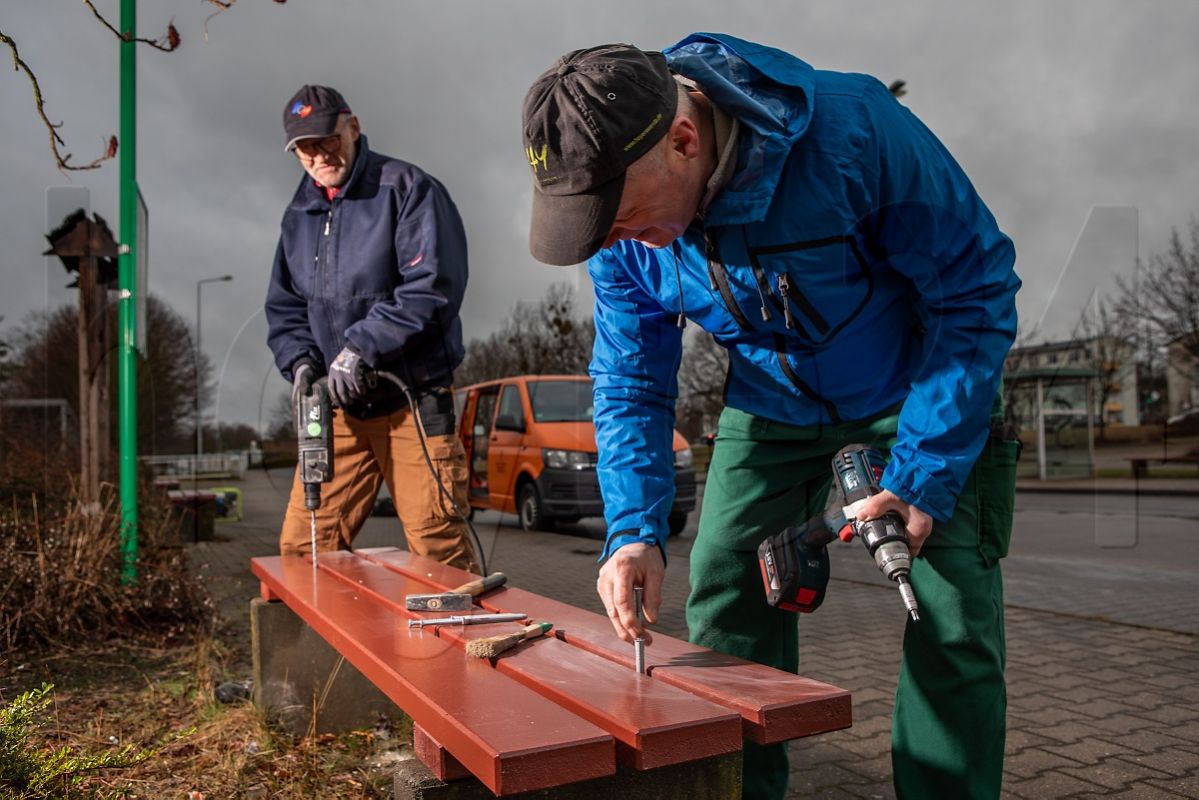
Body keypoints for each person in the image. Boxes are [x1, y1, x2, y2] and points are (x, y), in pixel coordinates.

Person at [520, 35, 1020, 800]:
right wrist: (631, 532)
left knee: (948, 615)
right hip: (770, 403)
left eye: (620, 221)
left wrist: (923, 473)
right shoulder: (617, 230)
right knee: (724, 582)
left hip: (912, 389)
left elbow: (973, 290)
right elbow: (628, 379)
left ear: (683, 139)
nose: (612, 244)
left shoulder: (856, 133)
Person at [265, 84, 478, 572]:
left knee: (437, 548)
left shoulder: (407, 188)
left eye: (326, 139)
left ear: (353, 127)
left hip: (412, 403)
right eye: (305, 148)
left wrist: (361, 346)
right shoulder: (298, 216)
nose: (319, 156)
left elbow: (433, 286)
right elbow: (285, 306)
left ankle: (467, 646)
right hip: (340, 411)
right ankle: (324, 650)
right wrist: (301, 363)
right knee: (303, 549)